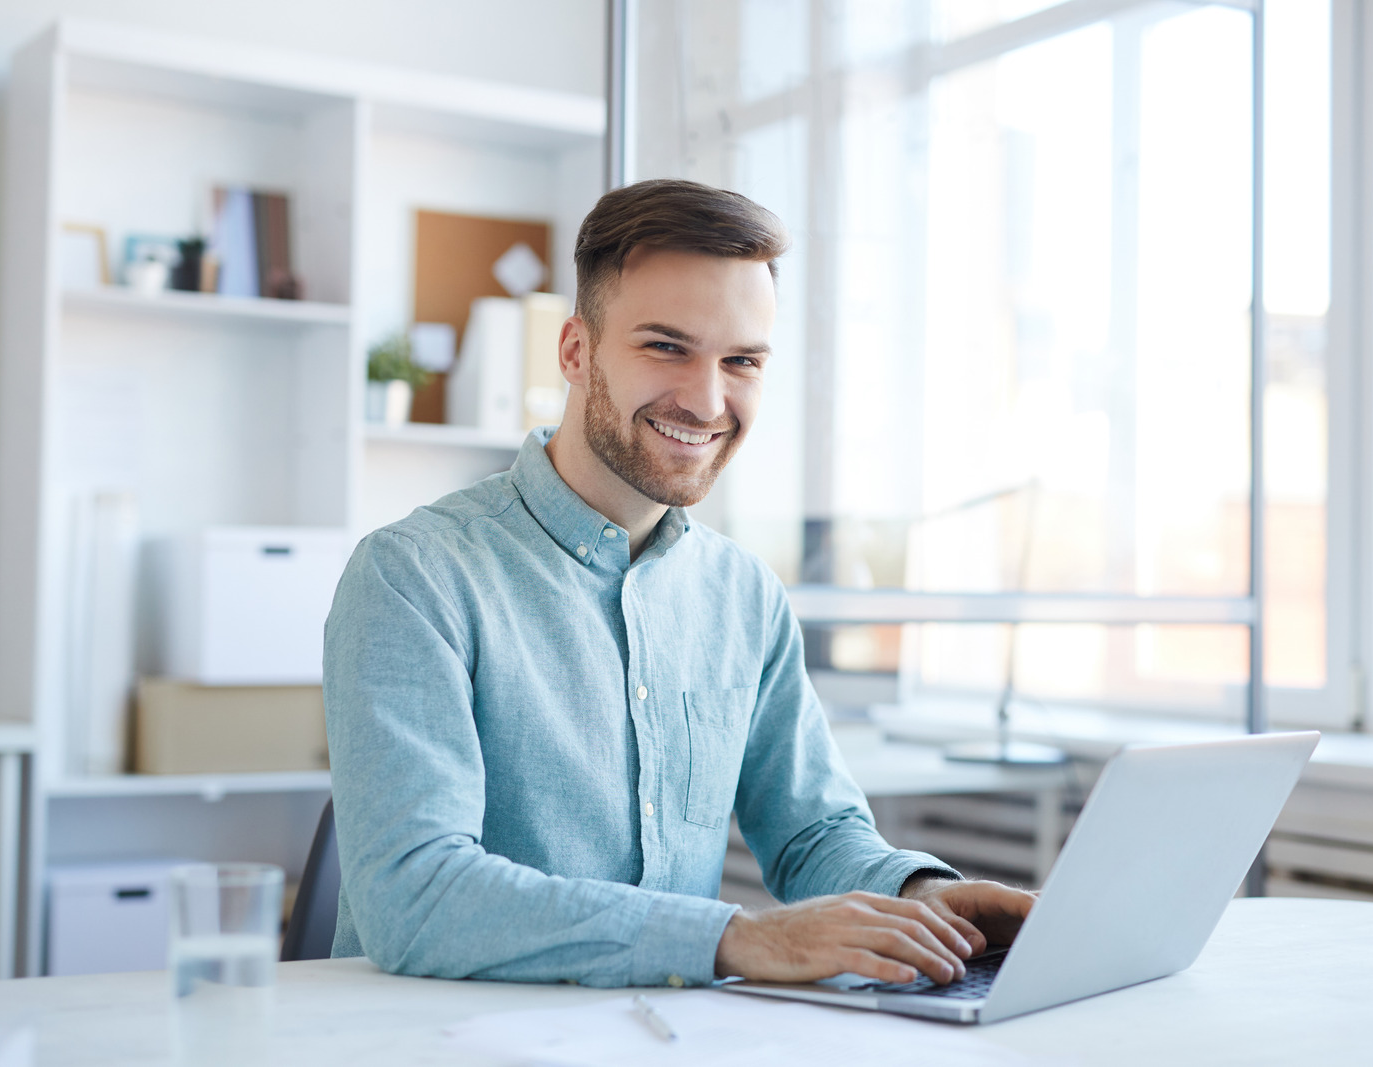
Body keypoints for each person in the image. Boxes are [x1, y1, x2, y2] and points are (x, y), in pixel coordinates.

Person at [324, 178, 1038, 989]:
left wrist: (926, 895)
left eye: (741, 361)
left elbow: (811, 834)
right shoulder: (414, 575)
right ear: (575, 350)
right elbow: (414, 896)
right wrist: (733, 938)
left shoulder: (744, 596)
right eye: (666, 346)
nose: (706, 399)